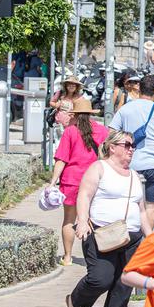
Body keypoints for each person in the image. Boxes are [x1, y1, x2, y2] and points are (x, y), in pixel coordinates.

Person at [66, 130, 151, 307]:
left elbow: (140, 209)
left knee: (124, 283)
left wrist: (150, 236)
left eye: (133, 146)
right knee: (100, 278)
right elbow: (84, 195)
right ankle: (76, 300)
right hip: (102, 233)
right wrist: (82, 220)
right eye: (127, 145)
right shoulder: (99, 168)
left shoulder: (133, 175)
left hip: (131, 236)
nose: (131, 149)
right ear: (112, 147)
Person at [110, 73, 154, 228]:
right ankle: (147, 242)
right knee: (150, 205)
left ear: (139, 91)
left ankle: (127, 237)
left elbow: (111, 134)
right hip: (153, 166)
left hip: (128, 164)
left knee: (127, 202)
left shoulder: (125, 110)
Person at [51, 98, 109, 266]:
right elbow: (106, 156)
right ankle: (94, 259)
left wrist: (52, 181)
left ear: (74, 114)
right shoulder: (102, 131)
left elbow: (61, 159)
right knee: (91, 219)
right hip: (94, 181)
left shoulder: (70, 131)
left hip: (71, 181)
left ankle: (68, 257)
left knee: (69, 220)